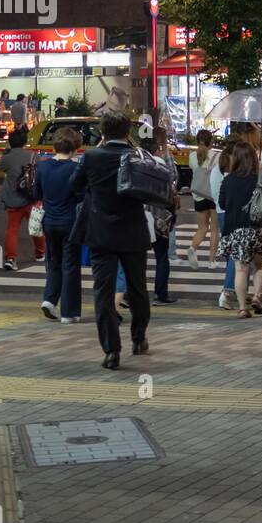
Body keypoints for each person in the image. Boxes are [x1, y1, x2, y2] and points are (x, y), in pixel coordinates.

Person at [71, 112, 152, 370]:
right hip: (133, 231)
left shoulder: (92, 157)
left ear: (102, 132)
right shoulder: (137, 156)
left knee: (103, 292)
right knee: (137, 289)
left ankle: (111, 350)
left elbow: (75, 185)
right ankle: (138, 337)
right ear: (127, 131)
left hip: (101, 232)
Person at [34, 127, 84, 323]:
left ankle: (49, 299)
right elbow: (80, 195)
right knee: (70, 265)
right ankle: (69, 312)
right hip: (70, 221)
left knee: (53, 262)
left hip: (49, 221)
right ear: (75, 147)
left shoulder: (43, 167)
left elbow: (37, 194)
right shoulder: (74, 169)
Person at [218, 141, 262, 317]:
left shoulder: (228, 180)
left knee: (241, 269)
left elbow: (222, 204)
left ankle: (242, 308)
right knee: (260, 265)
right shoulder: (260, 177)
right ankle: (256, 296)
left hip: (236, 230)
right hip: (258, 229)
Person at [0, 128, 44, 271]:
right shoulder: (33, 156)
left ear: (10, 143)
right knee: (36, 227)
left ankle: (11, 258)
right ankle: (40, 254)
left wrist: (7, 151)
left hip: (13, 198)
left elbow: (2, 168)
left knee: (12, 229)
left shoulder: (7, 157)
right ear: (25, 142)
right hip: (32, 198)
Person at [146, 126, 180, 305]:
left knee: (138, 256)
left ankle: (128, 292)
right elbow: (173, 177)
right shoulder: (165, 156)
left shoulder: (142, 157)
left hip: (144, 212)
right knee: (161, 255)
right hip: (161, 212)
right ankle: (161, 293)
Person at [185, 130, 218, 269]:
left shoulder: (192, 156)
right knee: (214, 229)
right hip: (213, 194)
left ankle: (193, 247)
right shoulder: (217, 156)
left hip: (198, 195)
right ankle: (211, 261)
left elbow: (193, 169)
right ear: (211, 142)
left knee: (202, 228)